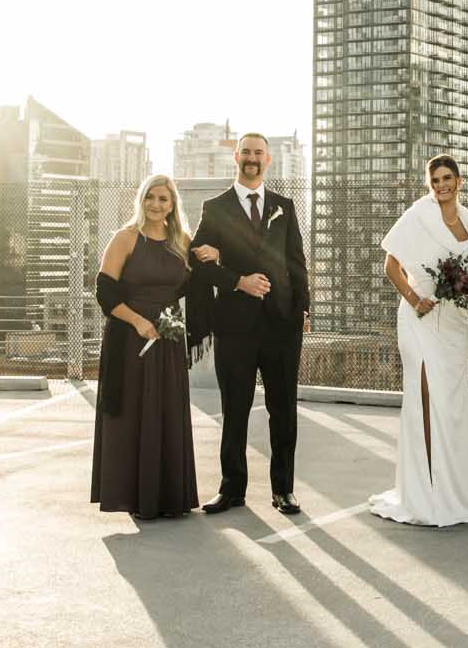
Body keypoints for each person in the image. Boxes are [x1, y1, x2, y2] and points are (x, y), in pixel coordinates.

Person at [369, 155, 468, 527]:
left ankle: (454, 485)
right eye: (435, 180)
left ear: (459, 181)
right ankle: (425, 492)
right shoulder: (417, 216)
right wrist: (414, 298)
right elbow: (391, 265)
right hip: (418, 319)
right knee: (425, 396)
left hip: (455, 323)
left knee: (453, 404)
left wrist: (459, 289)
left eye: (447, 178)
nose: (441, 185)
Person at [189, 132, 312, 516]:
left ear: (269, 159)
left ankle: (283, 490)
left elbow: (296, 262)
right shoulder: (215, 208)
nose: (252, 158)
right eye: (246, 152)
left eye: (259, 152)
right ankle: (231, 489)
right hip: (235, 326)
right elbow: (197, 261)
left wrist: (303, 309)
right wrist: (237, 281)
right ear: (236, 158)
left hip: (282, 325)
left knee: (283, 409)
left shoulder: (284, 207)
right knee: (235, 408)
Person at [90, 175, 213, 520]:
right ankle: (135, 497)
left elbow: (195, 284)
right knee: (133, 412)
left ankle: (169, 497)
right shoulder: (125, 238)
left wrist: (210, 256)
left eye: (164, 199)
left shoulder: (181, 242)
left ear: (173, 205)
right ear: (141, 201)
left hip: (167, 339)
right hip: (130, 338)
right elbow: (105, 291)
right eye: (151, 198)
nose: (157, 205)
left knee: (167, 412)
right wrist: (139, 322)